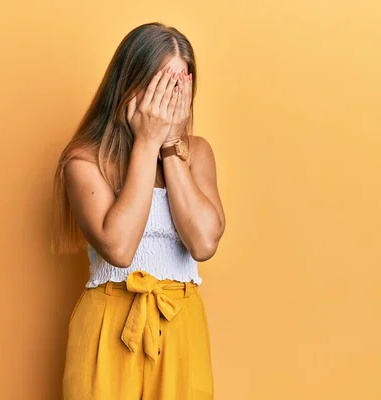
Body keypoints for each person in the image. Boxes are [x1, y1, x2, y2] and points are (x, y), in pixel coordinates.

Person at [51, 22, 226, 400]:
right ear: (130, 85)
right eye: (162, 86)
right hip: (107, 324)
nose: (170, 100)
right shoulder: (84, 160)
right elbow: (119, 247)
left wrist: (170, 146)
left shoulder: (197, 153)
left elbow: (204, 242)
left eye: (180, 87)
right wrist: (146, 144)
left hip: (180, 323)